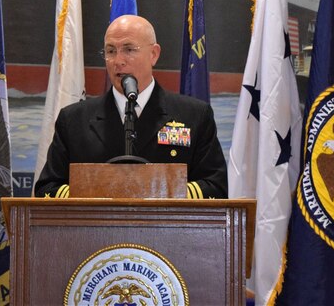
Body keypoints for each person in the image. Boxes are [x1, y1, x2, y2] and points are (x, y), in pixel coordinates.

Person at [35, 15, 228, 199]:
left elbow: (215, 186)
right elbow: (48, 188)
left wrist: (153, 192)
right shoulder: (74, 120)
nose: (118, 61)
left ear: (154, 54)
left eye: (129, 49)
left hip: (167, 232)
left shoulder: (193, 115)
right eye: (110, 51)